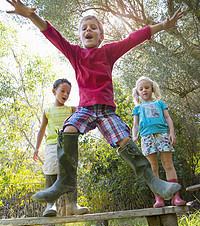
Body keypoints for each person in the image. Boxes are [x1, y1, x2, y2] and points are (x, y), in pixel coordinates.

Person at [6, 0, 184, 207]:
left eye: (93, 28)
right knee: (69, 128)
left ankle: (154, 183)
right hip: (85, 109)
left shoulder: (107, 52)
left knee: (124, 139)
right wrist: (30, 15)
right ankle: (65, 181)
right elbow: (53, 35)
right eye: (84, 28)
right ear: (80, 36)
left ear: (101, 35)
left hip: (106, 111)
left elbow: (134, 38)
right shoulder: (75, 54)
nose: (88, 30)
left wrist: (163, 25)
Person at [33, 78, 89, 217]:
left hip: (68, 145)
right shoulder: (48, 111)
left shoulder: (71, 109)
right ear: (54, 91)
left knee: (70, 172)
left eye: (68, 92)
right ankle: (50, 205)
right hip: (52, 144)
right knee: (51, 171)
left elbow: (85, 110)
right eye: (62, 91)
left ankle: (72, 205)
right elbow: (41, 130)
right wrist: (36, 148)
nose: (65, 94)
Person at [132, 76, 186, 207]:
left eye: (147, 87)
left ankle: (175, 197)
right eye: (141, 89)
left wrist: (171, 133)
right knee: (153, 168)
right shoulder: (137, 109)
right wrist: (134, 137)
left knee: (168, 165)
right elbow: (136, 125)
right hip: (146, 138)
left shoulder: (160, 103)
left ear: (152, 89)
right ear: (138, 92)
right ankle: (159, 198)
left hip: (162, 135)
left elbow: (168, 118)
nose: (144, 90)